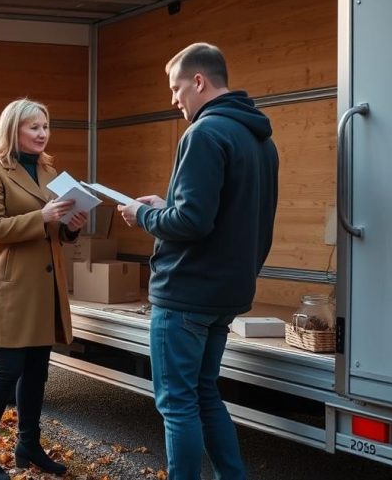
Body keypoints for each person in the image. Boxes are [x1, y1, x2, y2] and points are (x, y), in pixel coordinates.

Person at [118, 43, 279, 480]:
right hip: (227, 293)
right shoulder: (260, 139)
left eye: (176, 89)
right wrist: (166, 203)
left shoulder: (204, 133)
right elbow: (232, 215)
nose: (174, 100)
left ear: (199, 82)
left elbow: (192, 222)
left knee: (177, 404)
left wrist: (143, 214)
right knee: (205, 394)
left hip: (187, 294)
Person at [0, 98, 88, 479]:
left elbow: (54, 228)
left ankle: (28, 446)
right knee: (7, 372)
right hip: (10, 288)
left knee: (38, 370)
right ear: (13, 129)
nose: (42, 134)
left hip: (44, 288)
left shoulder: (48, 169)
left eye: (45, 126)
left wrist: (71, 224)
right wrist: (41, 216)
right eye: (34, 127)